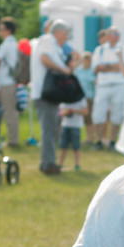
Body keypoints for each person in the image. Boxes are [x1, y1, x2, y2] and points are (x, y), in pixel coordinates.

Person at [30, 19, 72, 175]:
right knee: (48, 130)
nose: (66, 38)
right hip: (44, 93)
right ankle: (48, 164)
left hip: (48, 94)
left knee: (52, 129)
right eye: (66, 34)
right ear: (58, 32)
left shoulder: (51, 43)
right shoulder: (48, 40)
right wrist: (63, 69)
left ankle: (47, 162)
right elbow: (44, 59)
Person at [91, 27, 124, 150]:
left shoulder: (123, 49)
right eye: (113, 34)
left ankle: (112, 141)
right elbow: (96, 68)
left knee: (117, 113)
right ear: (108, 35)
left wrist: (105, 66)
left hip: (118, 85)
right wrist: (113, 66)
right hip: (103, 85)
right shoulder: (100, 50)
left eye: (117, 34)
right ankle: (99, 141)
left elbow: (121, 67)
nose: (115, 36)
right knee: (99, 113)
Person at [0, 17, 21, 147]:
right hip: (11, 81)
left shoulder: (6, 45)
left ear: (8, 30)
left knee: (9, 111)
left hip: (6, 81)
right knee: (11, 111)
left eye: (1, 29)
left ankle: (13, 140)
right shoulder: (14, 43)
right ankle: (13, 138)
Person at [58, 95, 88, 171]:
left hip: (76, 126)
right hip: (65, 125)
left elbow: (86, 112)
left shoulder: (81, 99)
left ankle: (77, 164)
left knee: (76, 147)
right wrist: (66, 112)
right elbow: (60, 113)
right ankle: (60, 164)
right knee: (63, 146)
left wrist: (75, 111)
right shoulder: (64, 98)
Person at [73, 52, 97, 145]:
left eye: (88, 60)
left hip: (89, 98)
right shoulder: (77, 71)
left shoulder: (93, 71)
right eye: (85, 59)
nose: (86, 61)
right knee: (77, 118)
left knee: (89, 118)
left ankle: (90, 139)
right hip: (78, 97)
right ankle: (76, 138)